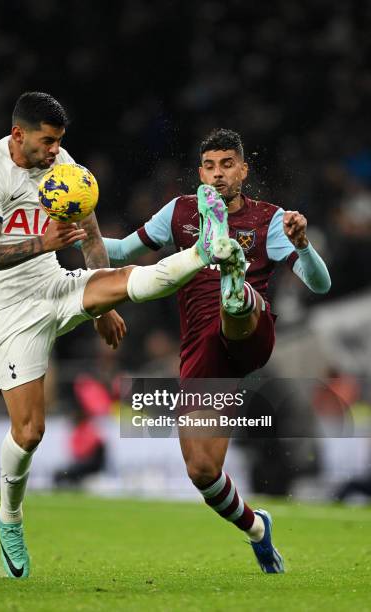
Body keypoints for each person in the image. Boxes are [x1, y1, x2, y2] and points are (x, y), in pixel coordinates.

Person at [0, 92, 231, 578]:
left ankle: (204, 250)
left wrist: (102, 304)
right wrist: (43, 241)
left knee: (130, 283)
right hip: (4, 307)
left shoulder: (63, 164)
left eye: (60, 142)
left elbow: (88, 231)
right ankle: (10, 517)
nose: (54, 151)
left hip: (51, 282)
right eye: (47, 142)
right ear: (19, 135)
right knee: (29, 433)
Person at [93, 128, 332, 573]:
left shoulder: (270, 220)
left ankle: (233, 279)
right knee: (202, 471)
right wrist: (70, 238)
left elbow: (320, 283)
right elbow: (121, 249)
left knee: (235, 306)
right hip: (204, 355)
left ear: (244, 170)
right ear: (200, 171)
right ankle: (258, 528)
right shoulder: (181, 211)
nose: (218, 173)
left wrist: (303, 244)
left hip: (251, 334)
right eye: (209, 166)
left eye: (227, 165)